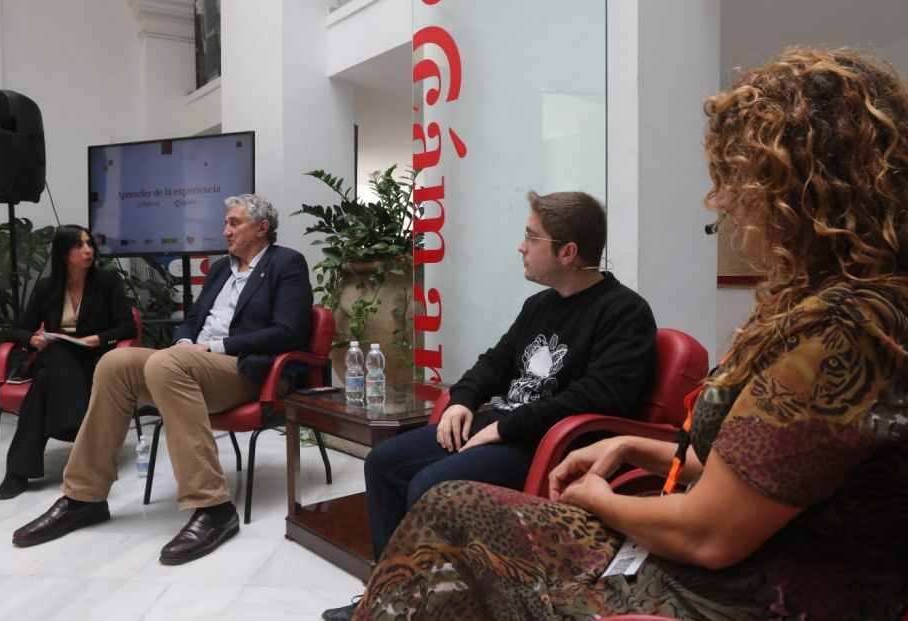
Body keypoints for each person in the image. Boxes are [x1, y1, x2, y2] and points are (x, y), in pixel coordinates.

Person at [345, 48, 908, 620]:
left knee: (445, 505)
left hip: (746, 591)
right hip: (716, 549)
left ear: (804, 190)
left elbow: (710, 533)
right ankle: (387, 594)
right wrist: (630, 444)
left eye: (739, 180)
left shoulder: (844, 330)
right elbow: (758, 473)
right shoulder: (827, 314)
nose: (723, 202)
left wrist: (600, 500)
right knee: (422, 489)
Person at [323, 190, 657, 620]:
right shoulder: (539, 305)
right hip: (501, 429)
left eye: (530, 237)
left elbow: (600, 397)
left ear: (568, 252)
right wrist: (463, 400)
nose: (521, 246)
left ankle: (433, 608)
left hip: (545, 446)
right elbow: (496, 362)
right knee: (384, 463)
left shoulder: (625, 312)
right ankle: (390, 599)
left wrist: (506, 426)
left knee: (431, 485)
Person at [12, 194, 314, 565]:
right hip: (191, 362)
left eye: (234, 223)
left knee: (164, 365)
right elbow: (192, 318)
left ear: (262, 228)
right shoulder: (222, 268)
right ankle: (84, 497)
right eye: (226, 222)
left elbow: (289, 330)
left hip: (246, 369)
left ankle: (214, 507)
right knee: (115, 362)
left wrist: (216, 346)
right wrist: (187, 341)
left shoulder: (287, 263)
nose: (225, 230)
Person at [0, 224, 136, 500]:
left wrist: (95, 339)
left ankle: (17, 472)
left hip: (92, 360)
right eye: (79, 245)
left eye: (89, 244)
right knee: (56, 355)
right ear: (63, 253)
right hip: (55, 357)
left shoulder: (106, 281)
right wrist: (33, 340)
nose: (88, 250)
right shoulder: (48, 287)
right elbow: (17, 328)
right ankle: (81, 434)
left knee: (46, 377)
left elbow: (127, 327)